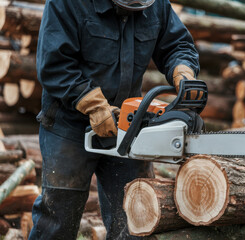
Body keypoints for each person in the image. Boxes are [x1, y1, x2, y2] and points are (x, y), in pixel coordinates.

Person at [29, 0, 199, 239]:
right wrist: (93, 105)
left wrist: (183, 71)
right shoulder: (68, 3)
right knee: (58, 217)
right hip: (69, 125)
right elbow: (54, 64)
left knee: (135, 215)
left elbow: (177, 44)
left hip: (127, 124)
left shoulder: (154, 5)